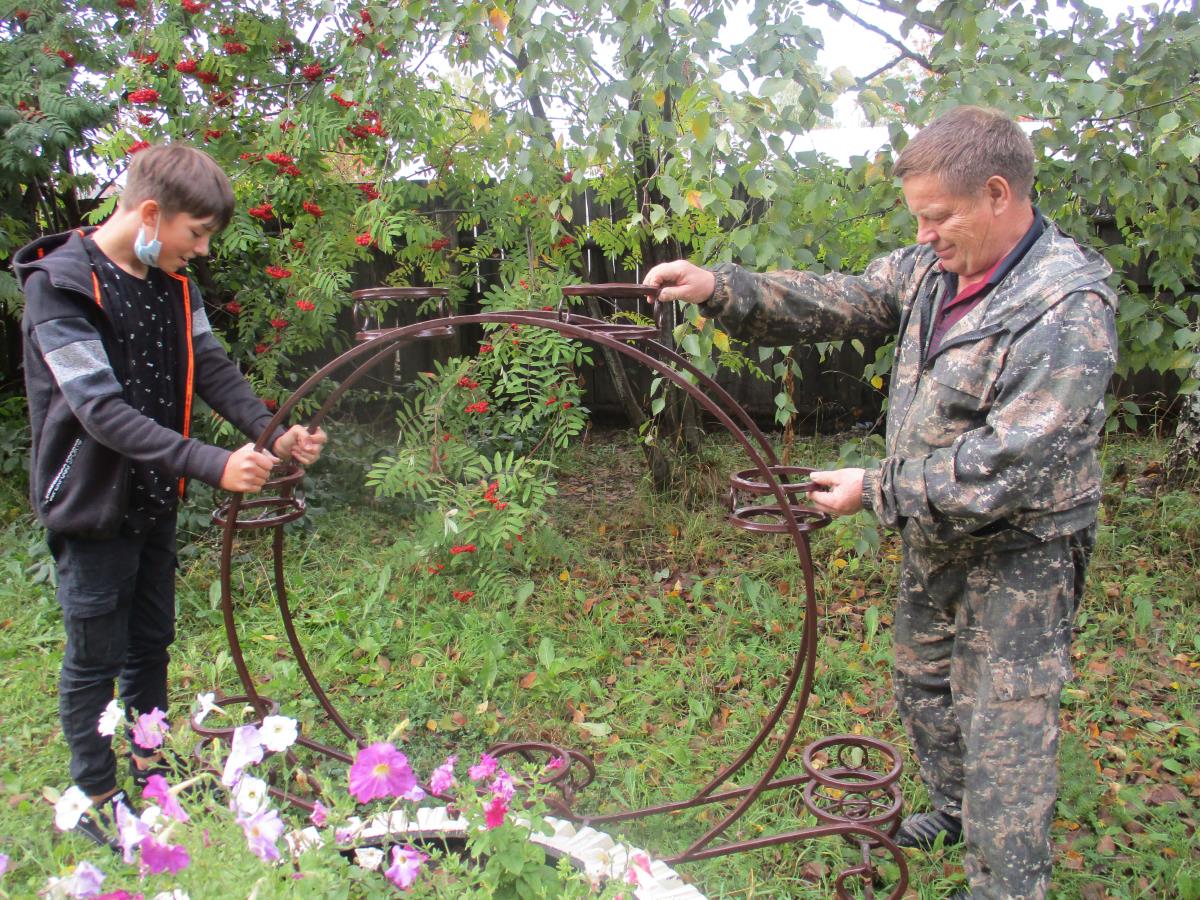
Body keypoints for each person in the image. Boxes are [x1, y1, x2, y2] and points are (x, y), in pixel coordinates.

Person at [646, 105, 1117, 900]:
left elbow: (1019, 459)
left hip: (1022, 547)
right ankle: (956, 809)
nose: (925, 234)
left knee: (1006, 722)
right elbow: (848, 297)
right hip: (936, 533)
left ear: (998, 193)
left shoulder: (1067, 306)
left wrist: (879, 488)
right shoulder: (936, 269)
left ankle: (1006, 885)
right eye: (919, 220)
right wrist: (720, 288)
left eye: (938, 217)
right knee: (925, 680)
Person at [16, 144, 327, 847]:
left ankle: (153, 767)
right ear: (151, 213)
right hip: (92, 507)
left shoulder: (171, 283)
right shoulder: (61, 288)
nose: (203, 250)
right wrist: (213, 463)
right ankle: (96, 792)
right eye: (198, 233)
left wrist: (269, 433)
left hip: (153, 498)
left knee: (150, 640)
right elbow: (100, 409)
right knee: (96, 654)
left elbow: (211, 368)